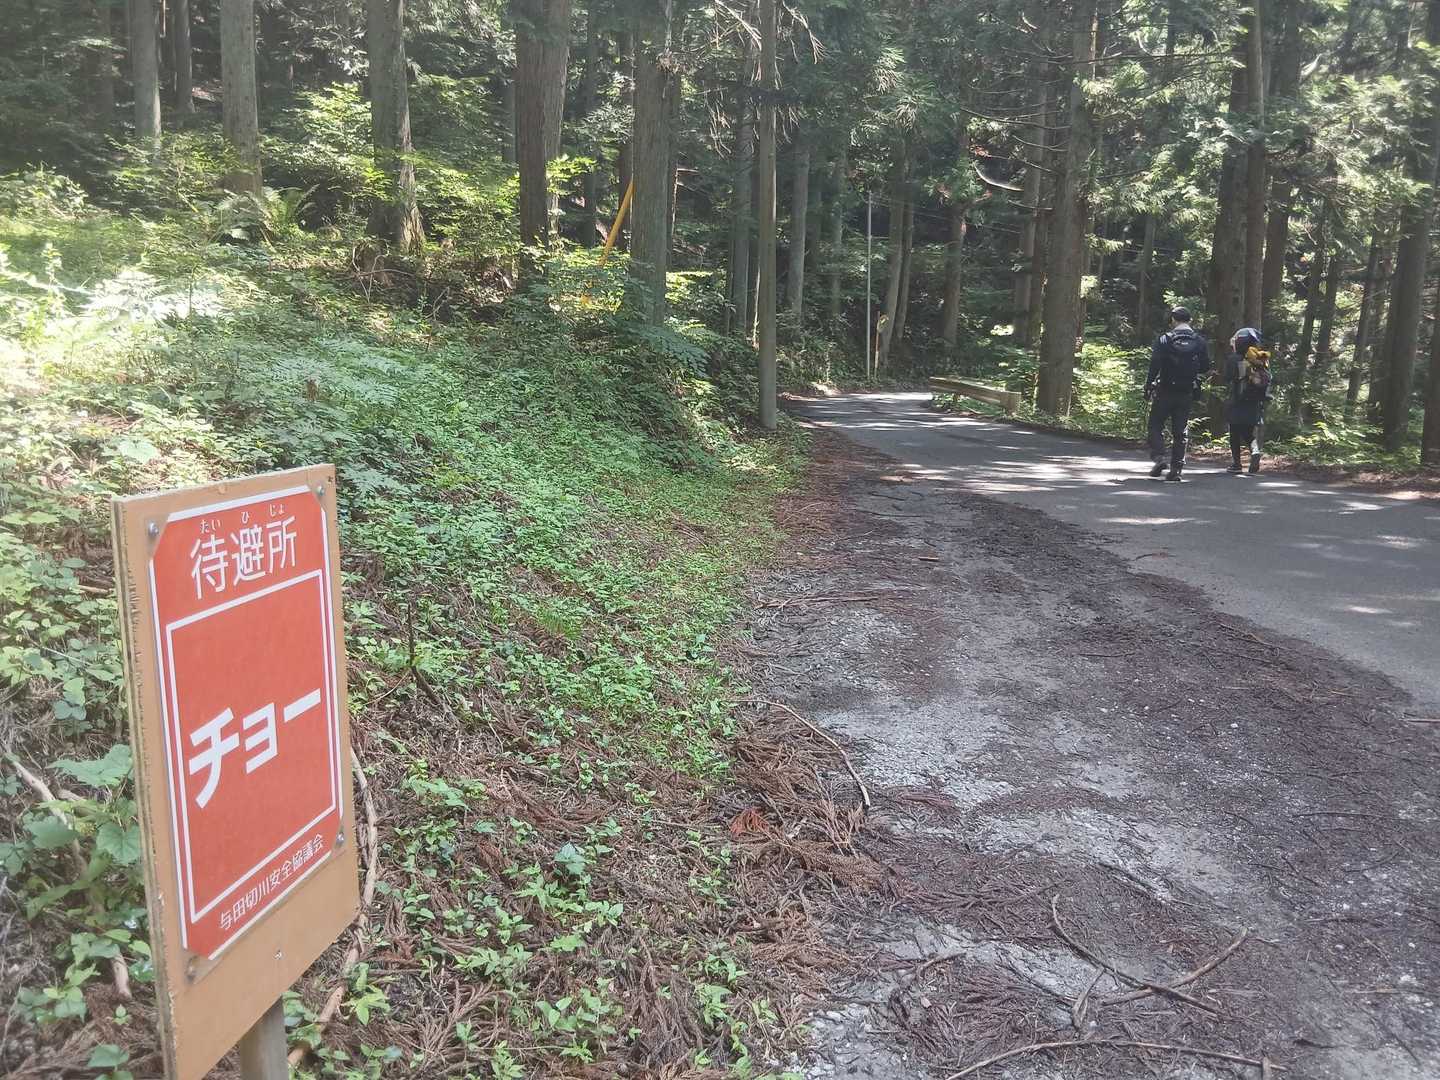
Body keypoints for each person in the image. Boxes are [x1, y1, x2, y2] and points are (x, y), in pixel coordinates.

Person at [1144, 307, 1211, 481]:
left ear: (1173, 319)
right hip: (1186, 391)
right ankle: (1176, 469)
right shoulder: (1199, 341)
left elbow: (1155, 363)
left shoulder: (1165, 339)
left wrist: (1148, 385)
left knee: (1155, 425)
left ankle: (1159, 457)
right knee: (1180, 431)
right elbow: (1205, 366)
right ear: (1190, 320)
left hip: (1165, 389)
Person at [1225, 327, 1272, 474]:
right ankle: (1255, 451)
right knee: (1248, 433)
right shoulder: (1259, 359)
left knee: (1234, 433)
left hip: (1238, 401)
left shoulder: (1234, 359)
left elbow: (1228, 377)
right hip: (1254, 402)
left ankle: (1237, 464)